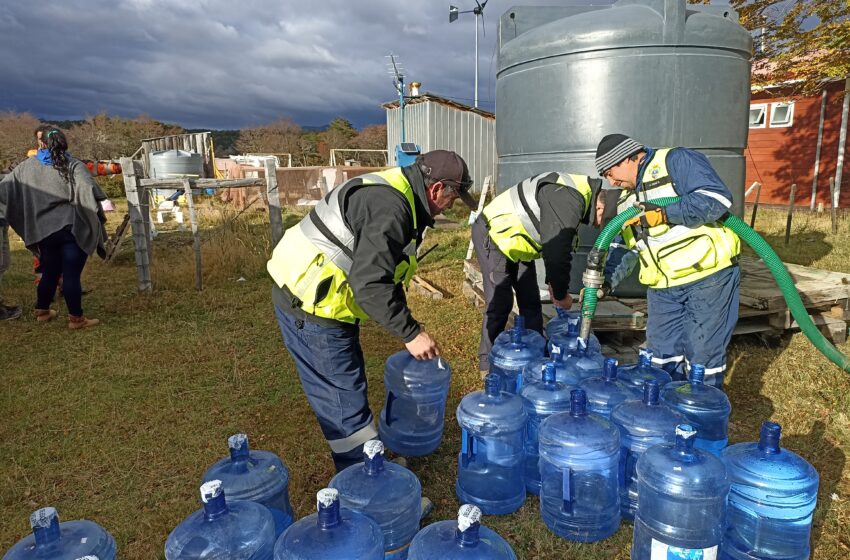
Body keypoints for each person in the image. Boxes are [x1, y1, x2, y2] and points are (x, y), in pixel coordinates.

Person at [267, 150, 476, 471]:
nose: (451, 206)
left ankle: (370, 462)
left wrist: (410, 324)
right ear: (436, 190)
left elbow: (384, 270)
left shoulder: (400, 193)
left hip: (327, 298)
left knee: (350, 384)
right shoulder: (391, 208)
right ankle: (366, 492)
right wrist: (411, 333)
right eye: (453, 198)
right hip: (310, 303)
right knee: (343, 401)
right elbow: (369, 283)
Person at [594, 134, 740, 387]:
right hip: (663, 288)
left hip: (707, 278)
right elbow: (627, 247)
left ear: (629, 157)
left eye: (610, 172)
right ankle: (662, 412)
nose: (610, 180)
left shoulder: (676, 161)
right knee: (660, 354)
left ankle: (698, 412)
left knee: (702, 352)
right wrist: (605, 282)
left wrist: (664, 213)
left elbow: (717, 200)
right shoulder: (626, 200)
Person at [471, 172, 607, 374]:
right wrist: (561, 294)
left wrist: (552, 281)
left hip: (519, 242)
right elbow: (557, 252)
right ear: (600, 207)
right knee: (500, 302)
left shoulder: (574, 194)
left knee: (530, 300)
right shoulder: (569, 197)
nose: (599, 226)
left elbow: (551, 237)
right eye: (602, 220)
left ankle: (537, 359)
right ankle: (489, 364)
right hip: (495, 234)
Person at [0, 127, 107, 329]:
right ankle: (76, 319)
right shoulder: (74, 165)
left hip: (44, 230)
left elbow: (5, 189)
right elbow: (88, 190)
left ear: (41, 144)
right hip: (72, 227)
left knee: (49, 271)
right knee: (71, 274)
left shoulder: (26, 167)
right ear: (63, 143)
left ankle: (42, 311)